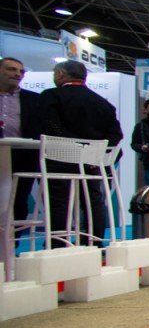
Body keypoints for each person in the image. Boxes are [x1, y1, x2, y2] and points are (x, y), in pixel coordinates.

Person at [38, 59, 123, 245]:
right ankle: (94, 242)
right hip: (91, 162)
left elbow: (50, 126)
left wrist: (73, 147)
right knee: (93, 200)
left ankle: (57, 243)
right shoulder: (102, 103)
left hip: (59, 159)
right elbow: (116, 135)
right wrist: (93, 153)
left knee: (58, 202)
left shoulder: (51, 96)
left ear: (60, 74)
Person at [0, 57, 43, 223]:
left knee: (18, 198)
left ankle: (14, 237)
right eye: (12, 69)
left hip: (23, 156)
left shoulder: (34, 99)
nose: (18, 74)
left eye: (21, 71)